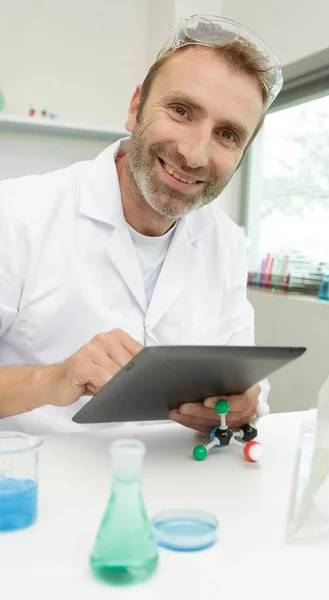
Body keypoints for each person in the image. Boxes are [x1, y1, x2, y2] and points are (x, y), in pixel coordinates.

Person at [0, 15, 283, 434]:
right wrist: (52, 379)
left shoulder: (224, 242)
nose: (195, 154)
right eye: (181, 111)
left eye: (227, 134)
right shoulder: (16, 213)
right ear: (136, 108)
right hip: (33, 486)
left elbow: (244, 381)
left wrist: (241, 405)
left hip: (174, 482)